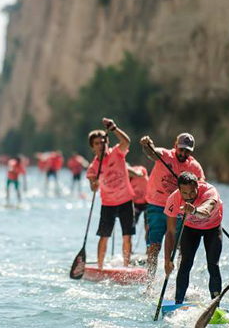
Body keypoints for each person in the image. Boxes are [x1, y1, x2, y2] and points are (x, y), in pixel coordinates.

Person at [139, 133, 205, 282]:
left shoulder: (194, 167)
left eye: (187, 151)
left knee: (182, 247)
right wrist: (146, 144)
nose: (183, 154)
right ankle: (149, 284)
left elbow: (201, 185)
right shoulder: (164, 155)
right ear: (175, 146)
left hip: (178, 209)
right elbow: (151, 152)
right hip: (157, 206)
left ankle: (179, 283)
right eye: (181, 149)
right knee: (154, 246)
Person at [164, 172, 223, 303]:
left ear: (197, 186)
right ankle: (178, 302)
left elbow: (206, 211)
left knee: (213, 265)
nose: (189, 197)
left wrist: (194, 210)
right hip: (191, 229)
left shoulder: (209, 191)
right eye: (184, 193)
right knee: (185, 264)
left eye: (192, 192)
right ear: (179, 190)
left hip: (213, 228)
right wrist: (167, 260)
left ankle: (215, 304)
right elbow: (170, 232)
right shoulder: (173, 199)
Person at [87, 118, 135, 269]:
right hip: (108, 203)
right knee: (104, 236)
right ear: (92, 147)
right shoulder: (93, 167)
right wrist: (95, 184)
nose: (100, 145)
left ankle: (126, 267)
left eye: (103, 142)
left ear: (107, 142)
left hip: (126, 200)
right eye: (97, 143)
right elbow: (93, 188)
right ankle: (100, 267)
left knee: (127, 236)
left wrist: (114, 128)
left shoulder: (117, 153)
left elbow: (126, 142)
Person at [128, 164, 149, 234]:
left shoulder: (138, 169)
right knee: (130, 226)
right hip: (136, 204)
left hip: (148, 202)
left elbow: (141, 172)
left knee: (148, 227)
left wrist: (135, 174)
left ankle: (148, 240)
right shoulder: (123, 180)